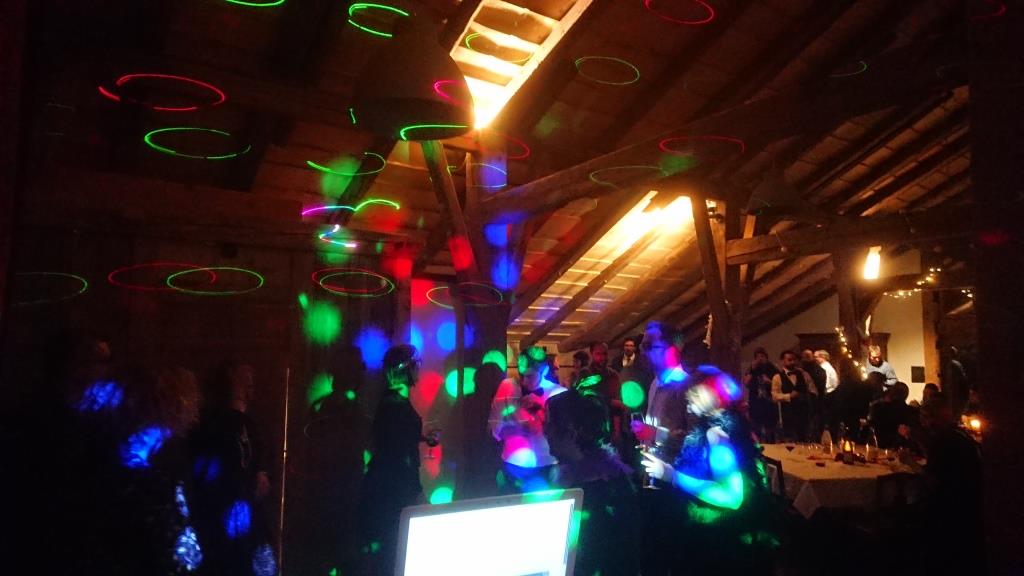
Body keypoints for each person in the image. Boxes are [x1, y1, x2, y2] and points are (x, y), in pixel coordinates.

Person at [642, 366, 778, 576]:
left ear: (705, 396)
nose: (687, 406)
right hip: (720, 534)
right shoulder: (727, 426)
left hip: (719, 539)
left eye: (691, 398)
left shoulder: (717, 435)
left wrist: (672, 475)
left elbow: (731, 496)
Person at [190, 360, 275, 576]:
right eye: (242, 379)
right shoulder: (210, 425)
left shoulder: (246, 426)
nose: (249, 383)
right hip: (221, 525)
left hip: (238, 525)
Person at [544, 390, 641, 576]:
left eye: (549, 425)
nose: (545, 431)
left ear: (571, 432)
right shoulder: (583, 475)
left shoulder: (602, 493)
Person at [357, 345, 427, 575]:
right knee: (393, 550)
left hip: (388, 486)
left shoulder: (393, 402)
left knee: (391, 550)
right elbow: (397, 451)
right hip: (393, 490)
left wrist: (421, 437)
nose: (419, 369)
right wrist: (416, 490)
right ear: (406, 369)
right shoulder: (395, 405)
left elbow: (394, 440)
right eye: (417, 364)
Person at [301, 345, 369, 576]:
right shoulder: (342, 409)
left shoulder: (325, 407)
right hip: (339, 500)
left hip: (331, 499)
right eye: (357, 368)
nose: (362, 373)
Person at [919, 393, 984, 573]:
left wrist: (910, 464)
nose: (927, 423)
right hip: (971, 507)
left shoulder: (942, 440)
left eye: (929, 417)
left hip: (949, 510)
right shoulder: (962, 436)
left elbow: (933, 481)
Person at [489, 346, 568, 493]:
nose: (524, 381)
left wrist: (542, 412)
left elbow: (565, 433)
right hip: (514, 466)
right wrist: (518, 430)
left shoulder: (559, 393)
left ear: (544, 371)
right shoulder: (507, 387)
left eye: (530, 376)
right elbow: (494, 429)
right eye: (521, 375)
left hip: (548, 465)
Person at [632, 321, 689, 456]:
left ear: (672, 350)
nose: (642, 351)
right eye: (642, 345)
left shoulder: (686, 386)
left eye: (648, 346)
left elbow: (694, 440)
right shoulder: (655, 383)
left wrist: (654, 434)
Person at [771, 351, 816, 442]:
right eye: (789, 360)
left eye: (794, 360)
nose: (792, 362)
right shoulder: (777, 377)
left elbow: (813, 390)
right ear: (782, 361)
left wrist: (808, 398)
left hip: (804, 414)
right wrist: (789, 396)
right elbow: (774, 396)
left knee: (804, 441)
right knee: (790, 441)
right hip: (788, 414)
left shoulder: (804, 374)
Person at [742, 347, 780, 443]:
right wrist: (752, 370)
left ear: (766, 358)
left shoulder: (772, 368)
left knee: (770, 429)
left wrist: (770, 382)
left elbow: (780, 385)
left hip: (769, 402)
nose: (760, 359)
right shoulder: (751, 369)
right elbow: (745, 383)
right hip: (756, 402)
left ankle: (771, 445)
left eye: (762, 356)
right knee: (756, 428)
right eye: (757, 357)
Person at [868, 381, 919, 449]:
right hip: (903, 448)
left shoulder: (879, 408)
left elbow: (872, 425)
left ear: (892, 393)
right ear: (906, 395)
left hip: (880, 446)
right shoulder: (912, 411)